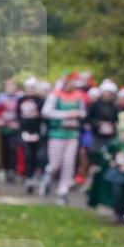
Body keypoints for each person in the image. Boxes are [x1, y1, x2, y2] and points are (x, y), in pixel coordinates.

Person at [40, 74, 86, 205]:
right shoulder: (55, 95)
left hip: (72, 135)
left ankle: (62, 192)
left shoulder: (78, 95)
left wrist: (78, 114)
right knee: (55, 164)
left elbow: (83, 112)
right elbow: (46, 112)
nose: (73, 86)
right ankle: (47, 177)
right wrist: (66, 114)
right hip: (56, 134)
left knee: (68, 164)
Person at [17, 76, 45, 193]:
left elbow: (44, 116)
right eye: (29, 88)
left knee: (39, 157)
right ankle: (28, 178)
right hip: (25, 132)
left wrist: (38, 116)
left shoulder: (41, 101)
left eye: (32, 88)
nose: (30, 90)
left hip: (38, 133)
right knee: (28, 156)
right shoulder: (21, 100)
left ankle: (36, 176)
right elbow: (18, 115)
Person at [0, 78, 21, 182]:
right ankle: (6, 170)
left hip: (15, 129)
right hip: (4, 129)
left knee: (14, 149)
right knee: (5, 150)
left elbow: (23, 112)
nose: (10, 88)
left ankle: (13, 170)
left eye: (12, 86)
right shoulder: (0, 98)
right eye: (8, 86)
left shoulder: (19, 97)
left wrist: (19, 123)